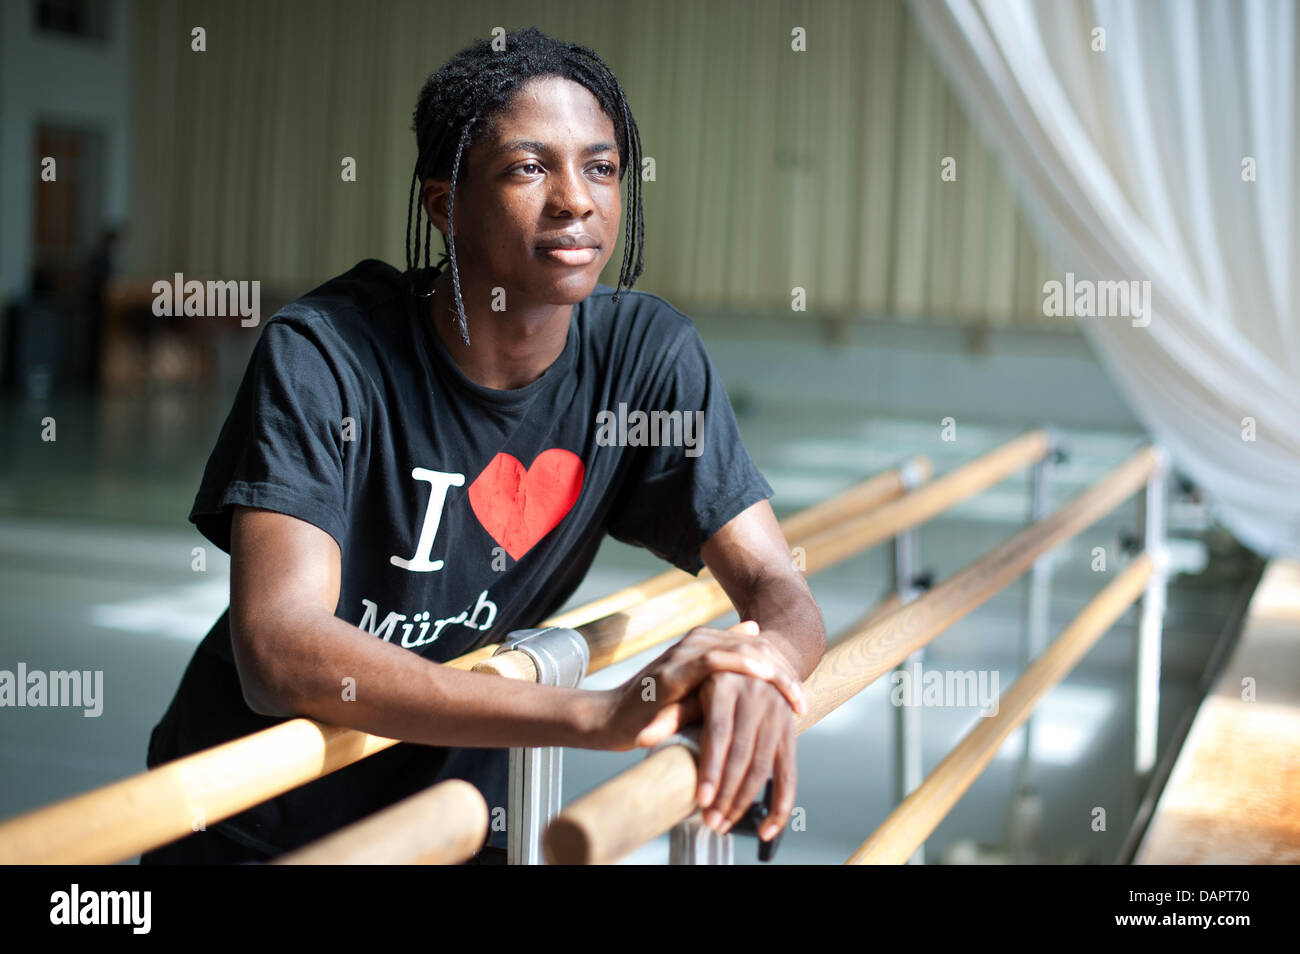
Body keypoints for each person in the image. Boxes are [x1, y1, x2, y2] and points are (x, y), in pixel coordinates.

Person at [142, 26, 825, 865]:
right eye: (529, 168)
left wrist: (761, 668)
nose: (576, 199)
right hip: (261, 816)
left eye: (601, 167)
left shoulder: (645, 357)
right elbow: (279, 647)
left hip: (466, 817)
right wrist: (596, 713)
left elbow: (774, 581)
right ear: (443, 203)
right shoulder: (327, 350)